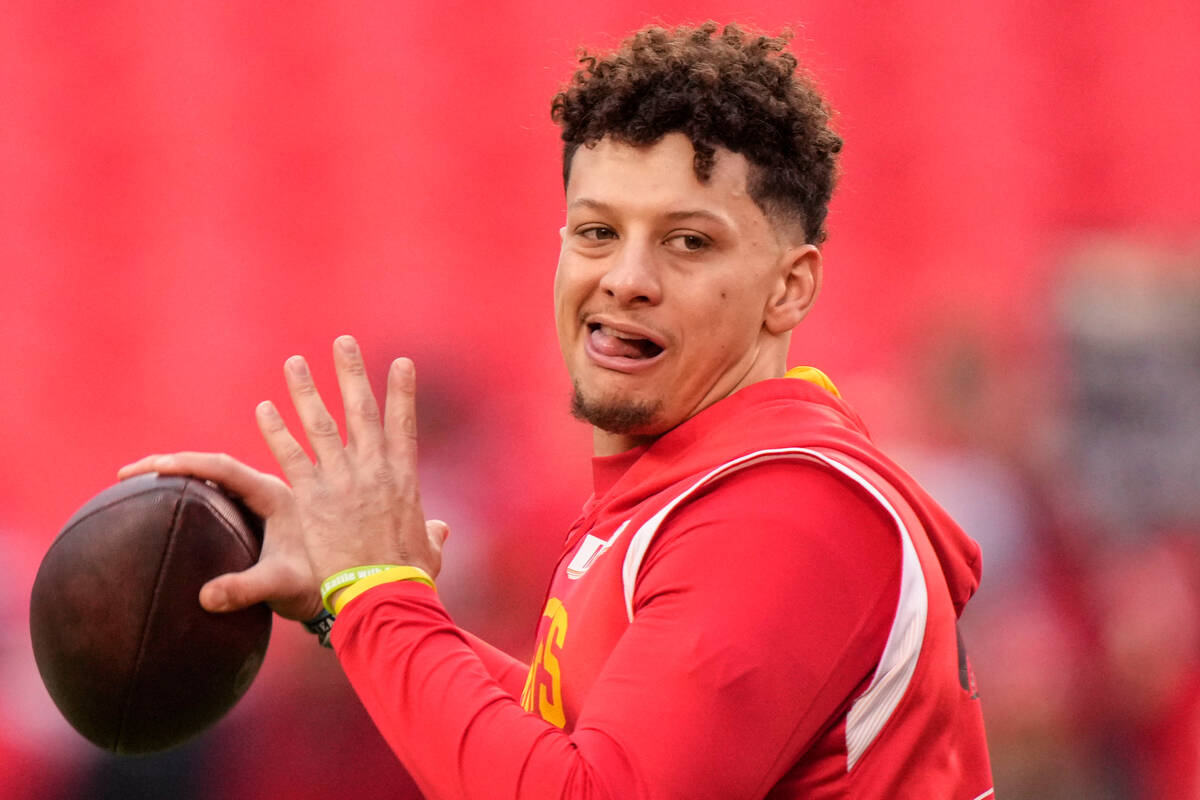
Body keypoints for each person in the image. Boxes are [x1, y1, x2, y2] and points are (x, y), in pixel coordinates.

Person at [121, 22, 993, 799]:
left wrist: (379, 594)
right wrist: (344, 606)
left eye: (688, 242)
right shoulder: (690, 490)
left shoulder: (785, 512)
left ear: (789, 287)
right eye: (596, 231)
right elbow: (577, 746)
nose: (626, 278)